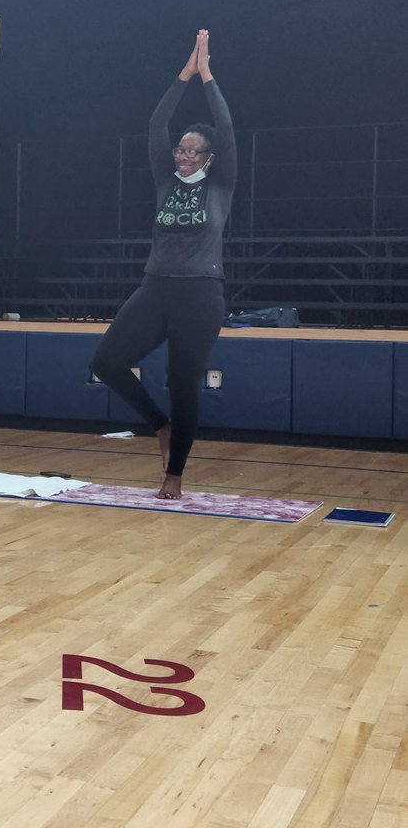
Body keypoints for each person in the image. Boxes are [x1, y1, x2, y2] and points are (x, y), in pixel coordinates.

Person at [91, 29, 236, 500]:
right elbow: (156, 124)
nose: (184, 154)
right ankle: (160, 425)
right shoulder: (164, 180)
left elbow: (227, 129)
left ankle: (175, 474)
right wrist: (184, 75)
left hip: (200, 293)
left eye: (194, 150)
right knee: (108, 362)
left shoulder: (220, 185)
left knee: (183, 383)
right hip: (156, 287)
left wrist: (209, 77)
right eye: (181, 149)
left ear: (210, 158)